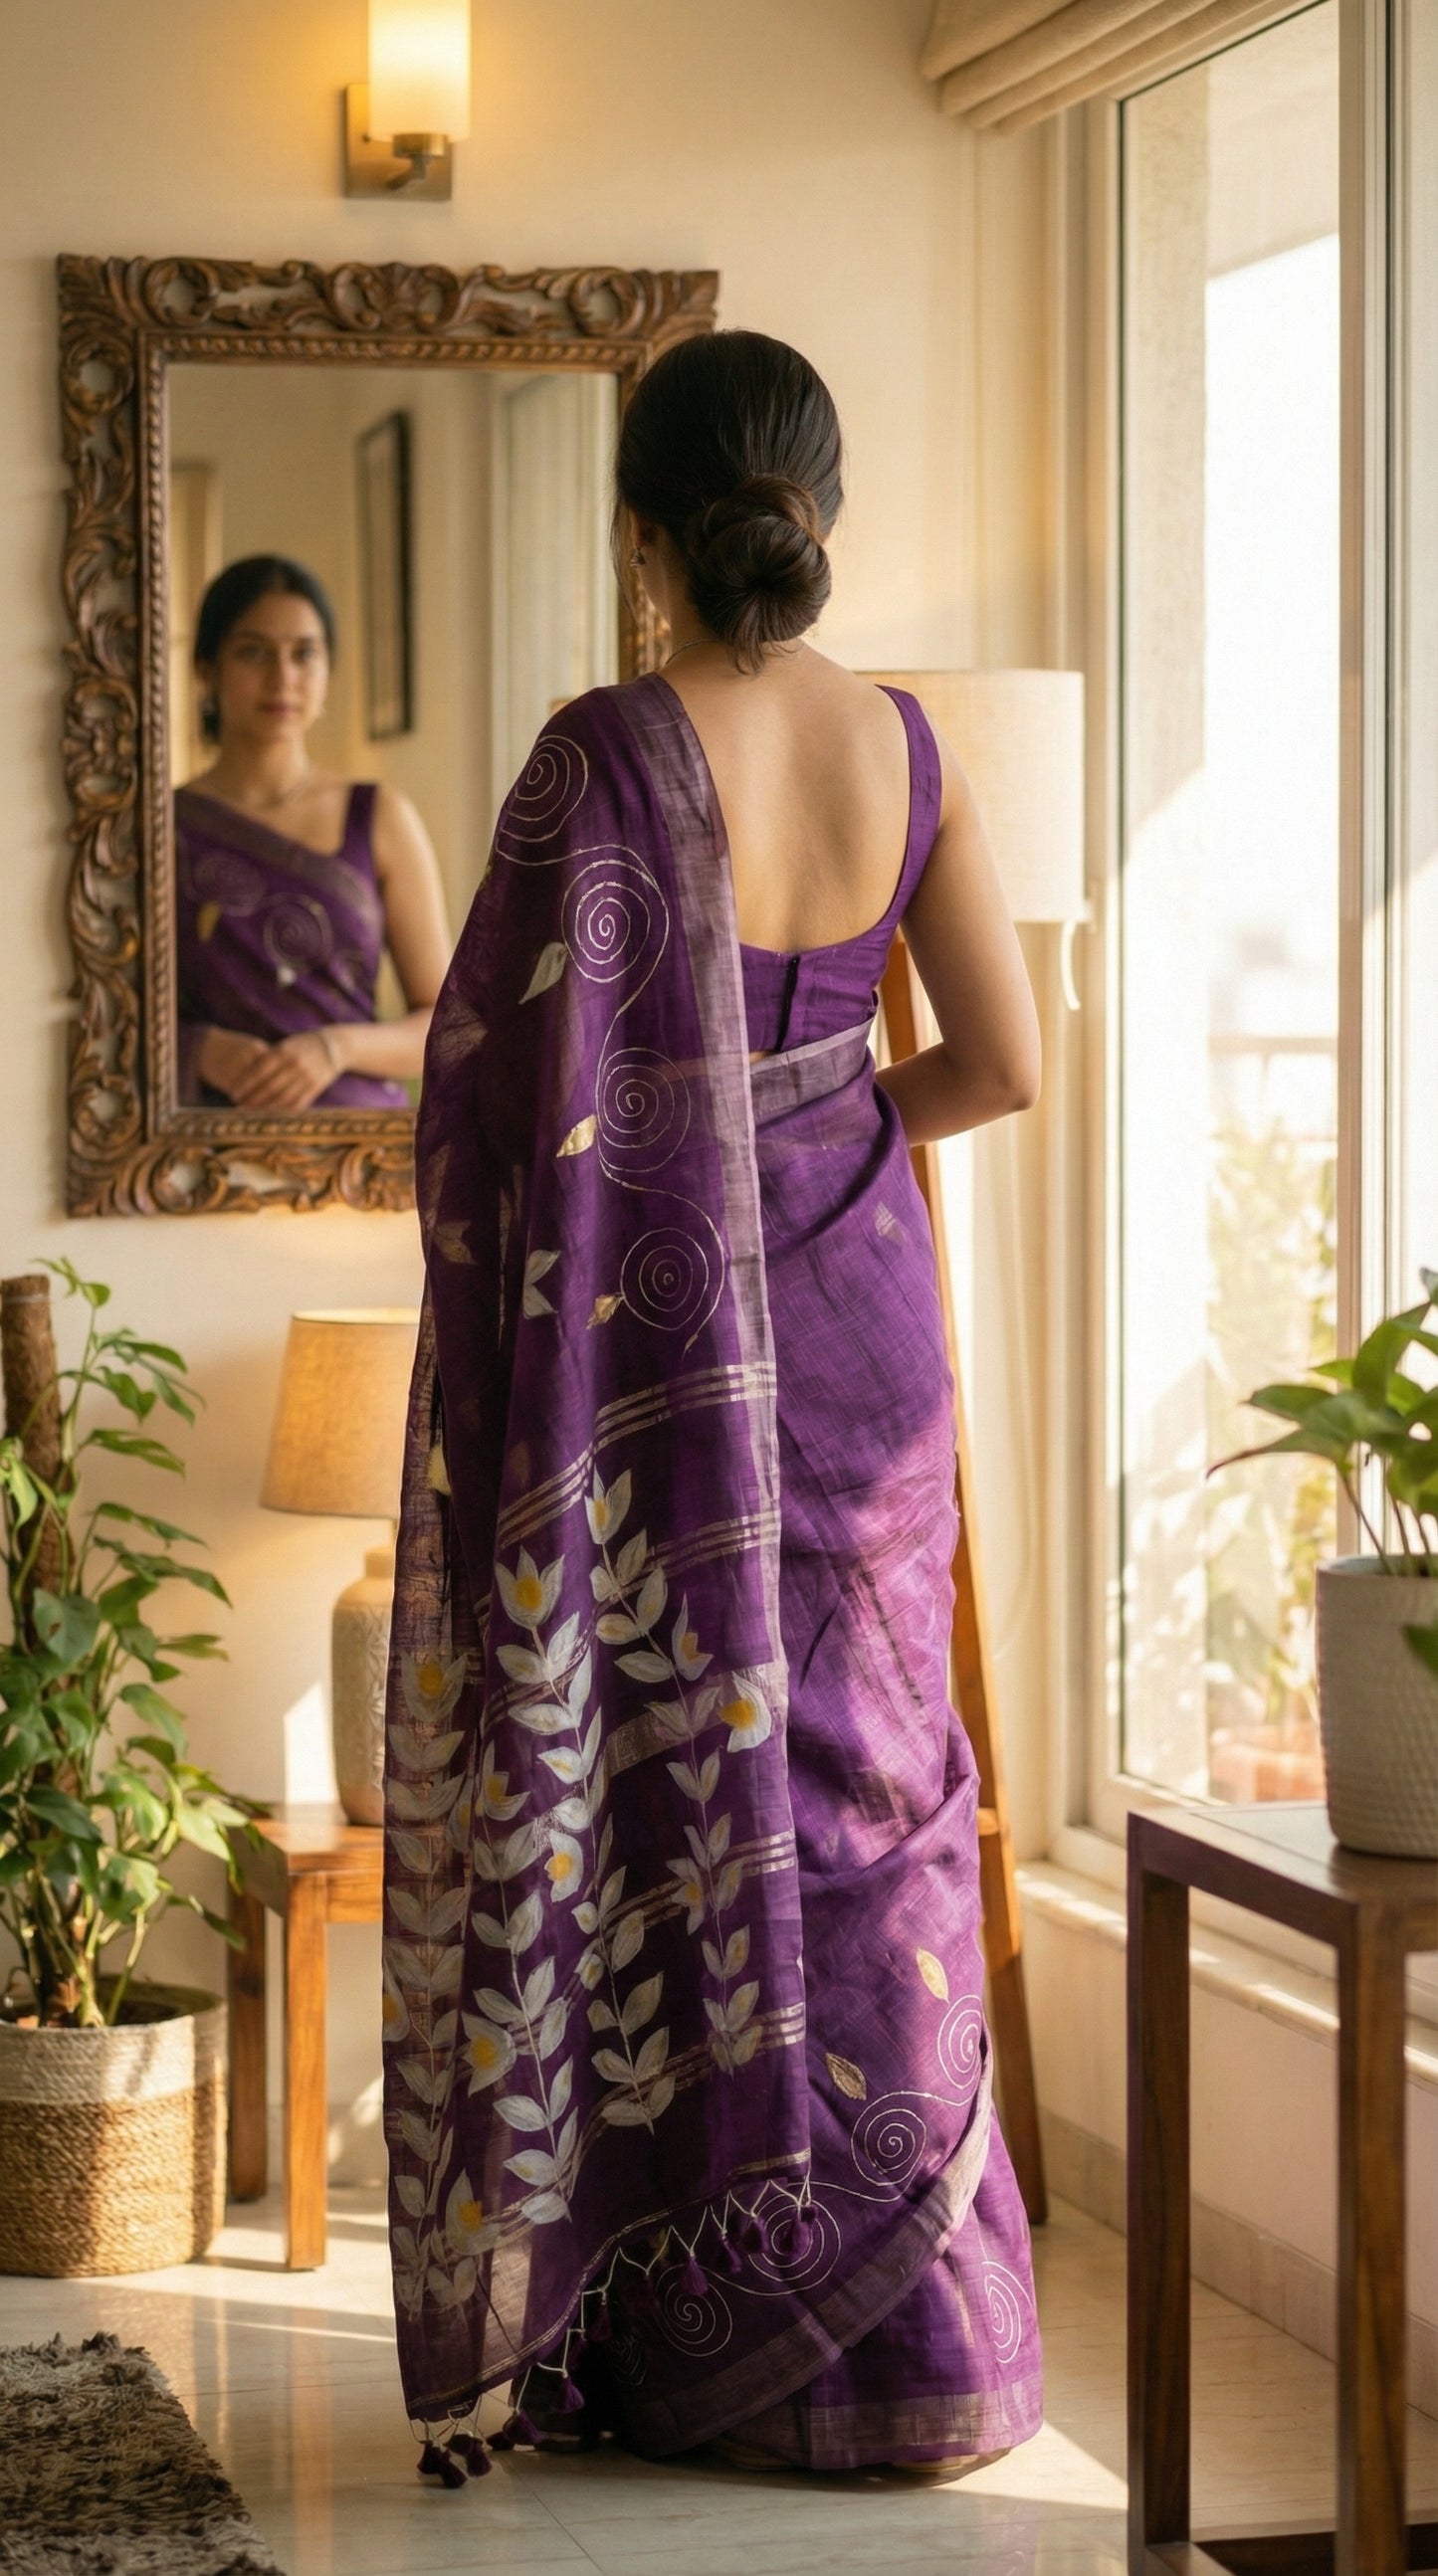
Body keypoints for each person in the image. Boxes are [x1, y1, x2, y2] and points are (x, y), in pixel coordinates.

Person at [382, 330, 1044, 2484]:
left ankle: (699, 2336)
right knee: (873, 1805)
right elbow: (1001, 1065)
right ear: (816, 517)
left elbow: (491, 1092)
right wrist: (826, 1126)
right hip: (861, 1322)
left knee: (672, 1793)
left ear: (636, 530)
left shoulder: (601, 755)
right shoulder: (907, 747)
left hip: (654, 1348)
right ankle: (908, 2334)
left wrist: (664, 1159)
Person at [174, 555, 450, 1110]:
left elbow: (448, 1026)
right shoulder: (161, 828)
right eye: (253, 651)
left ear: (328, 671)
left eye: (304, 653)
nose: (283, 678)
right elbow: (109, 1020)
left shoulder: (379, 818)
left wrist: (335, 1048)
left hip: (360, 1161)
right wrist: (199, 1049)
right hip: (199, 1163)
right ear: (207, 668)